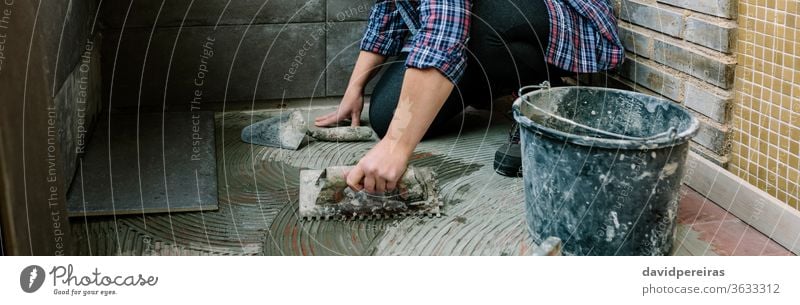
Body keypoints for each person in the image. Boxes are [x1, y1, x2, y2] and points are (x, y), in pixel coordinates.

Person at [314, 0, 624, 193]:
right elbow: (387, 14)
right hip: (475, 22)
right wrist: (355, 88)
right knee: (385, 115)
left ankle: (543, 96)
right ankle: (489, 81)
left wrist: (396, 146)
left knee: (481, 23)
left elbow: (445, 28)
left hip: (551, 14)